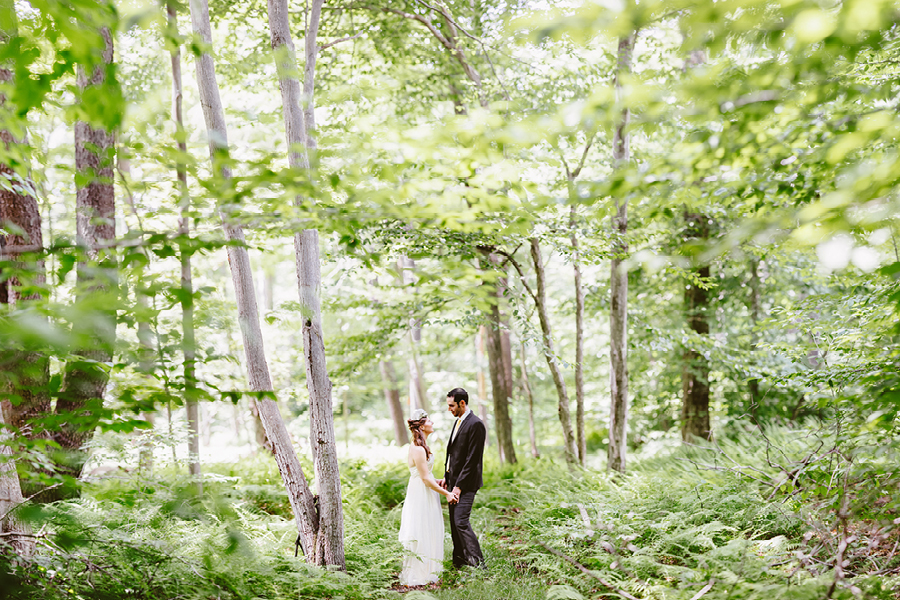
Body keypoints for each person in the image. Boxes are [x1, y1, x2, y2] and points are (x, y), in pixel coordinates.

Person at [399, 409, 458, 586]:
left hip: (427, 490)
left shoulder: (423, 446)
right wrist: (447, 493)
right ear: (422, 425)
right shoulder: (417, 449)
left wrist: (438, 481)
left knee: (430, 527)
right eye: (429, 420)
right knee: (422, 528)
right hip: (420, 493)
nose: (432, 422)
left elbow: (426, 475)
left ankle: (431, 570)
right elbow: (424, 478)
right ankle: (420, 573)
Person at [438, 387, 486, 569]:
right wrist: (446, 476)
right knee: (454, 523)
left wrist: (458, 487)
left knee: (461, 522)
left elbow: (472, 460)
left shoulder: (476, 424)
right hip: (453, 481)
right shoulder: (458, 421)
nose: (449, 409)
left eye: (452, 405)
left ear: (462, 403)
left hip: (466, 484)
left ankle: (479, 565)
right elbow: (454, 454)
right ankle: (459, 562)